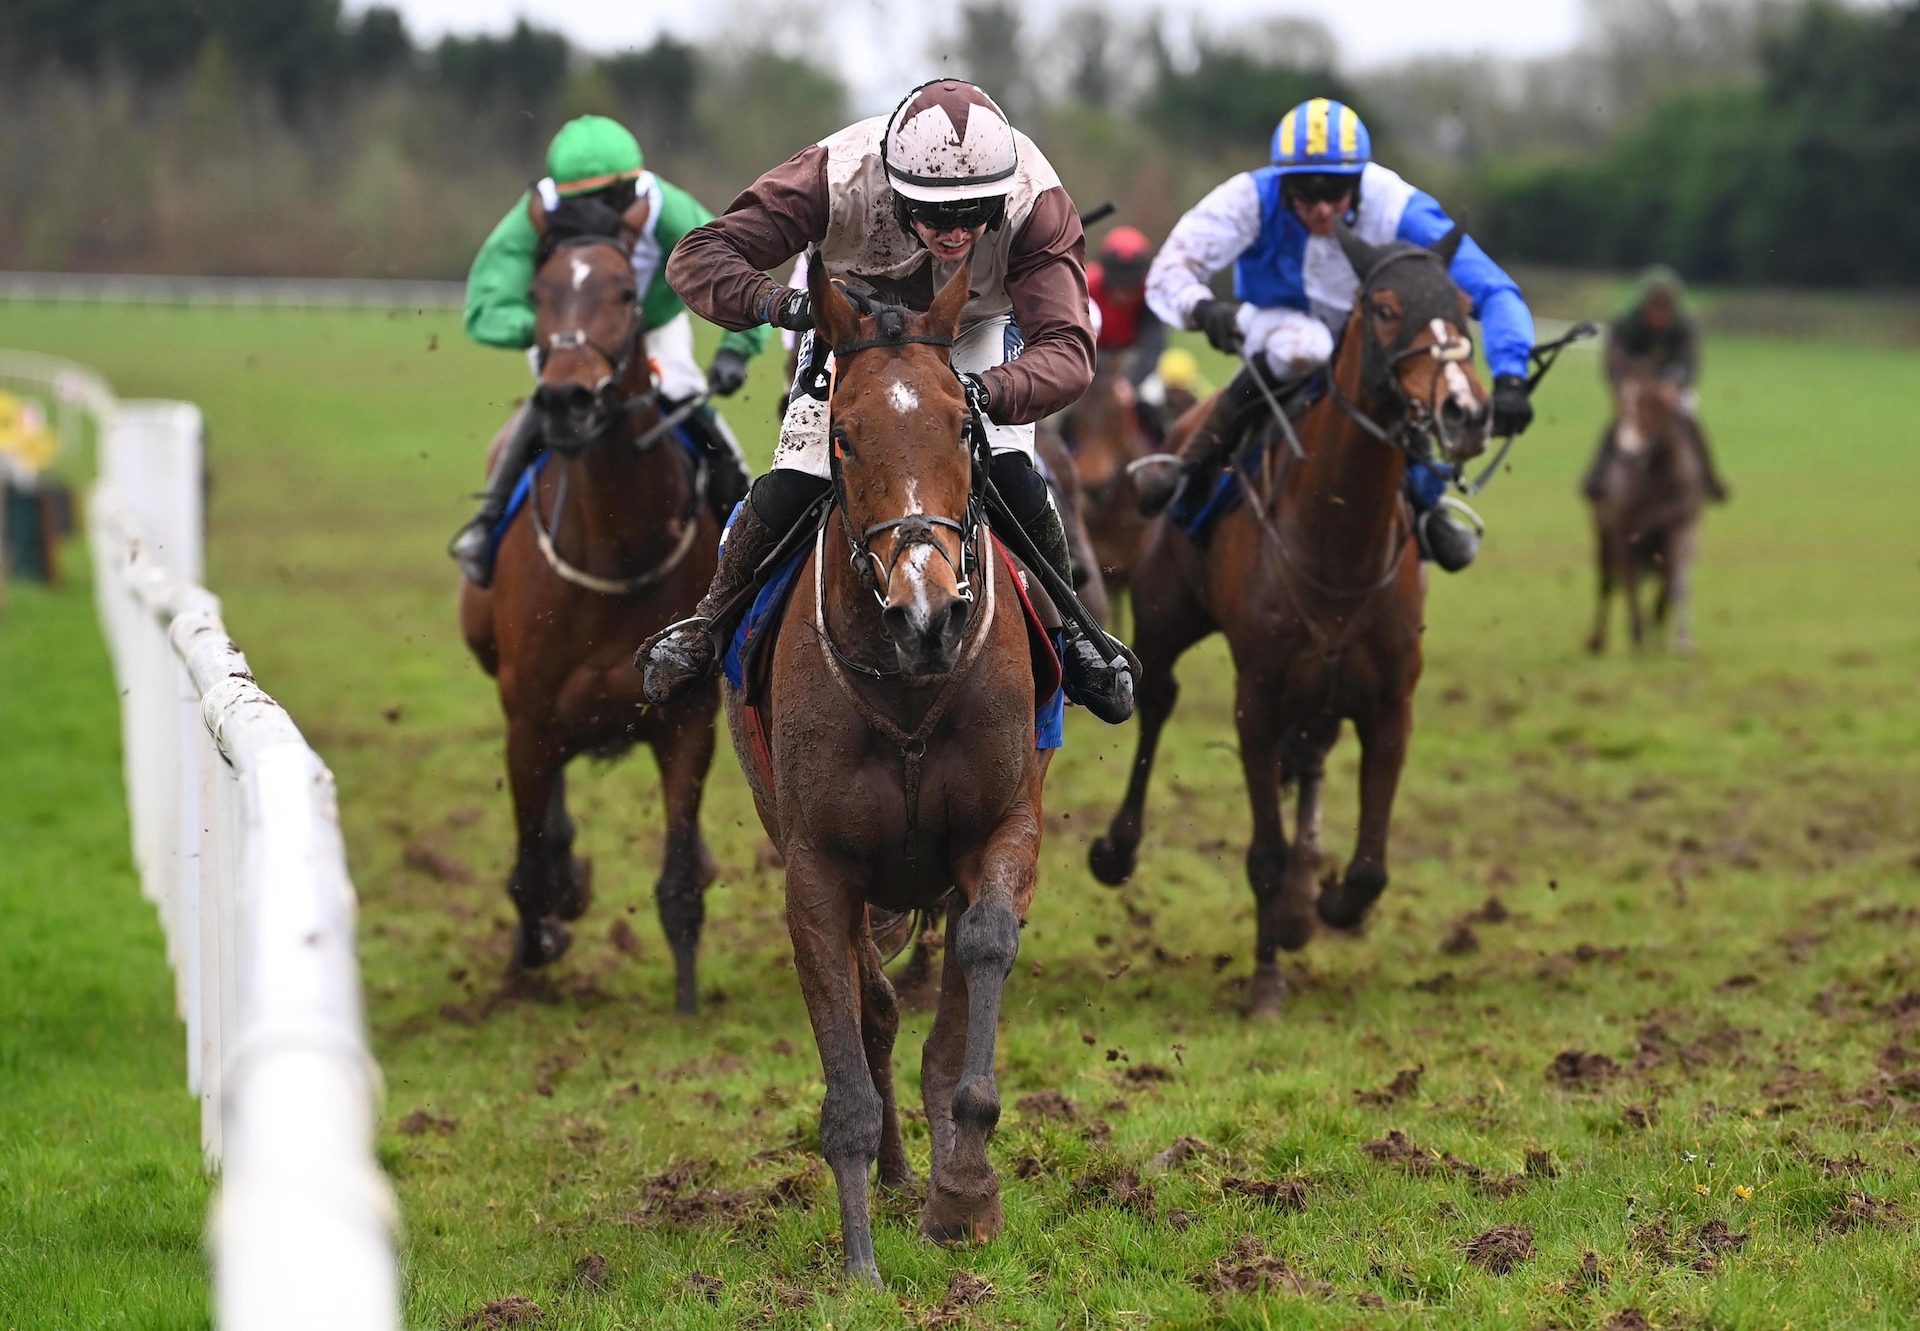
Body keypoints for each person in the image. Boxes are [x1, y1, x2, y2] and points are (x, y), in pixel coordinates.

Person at [644, 78, 1133, 722]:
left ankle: (1074, 638)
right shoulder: (833, 175)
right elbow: (701, 253)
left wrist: (983, 391)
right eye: (935, 215)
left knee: (1014, 477)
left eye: (973, 214)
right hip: (855, 335)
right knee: (795, 480)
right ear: (895, 188)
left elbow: (1068, 347)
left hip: (972, 331)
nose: (955, 233)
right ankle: (706, 627)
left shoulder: (1035, 202)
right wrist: (784, 305)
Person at [1135, 97, 1537, 572]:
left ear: (1360, 180)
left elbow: (1493, 289)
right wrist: (1204, 311)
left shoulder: (1398, 205)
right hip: (1274, 324)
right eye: (1305, 193)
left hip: (1364, 339)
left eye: (1337, 192)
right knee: (1305, 347)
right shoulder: (1248, 197)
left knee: (1399, 381)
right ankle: (1196, 462)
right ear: (1282, 183)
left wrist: (1511, 376)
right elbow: (1167, 271)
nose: (1321, 208)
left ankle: (1427, 507)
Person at [448, 115, 769, 587]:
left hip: (652, 332)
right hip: (569, 333)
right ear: (559, 193)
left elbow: (732, 269)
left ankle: (747, 535)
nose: (595, 212)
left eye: (607, 199)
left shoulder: (666, 206)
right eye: (580, 202)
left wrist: (736, 350)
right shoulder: (535, 210)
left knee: (687, 398)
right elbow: (485, 306)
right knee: (550, 401)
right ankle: (487, 524)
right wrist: (561, 334)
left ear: (634, 186)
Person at [1587, 265, 1729, 502]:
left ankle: (1708, 479)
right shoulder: (1625, 324)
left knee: (1690, 421)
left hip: (1670, 387)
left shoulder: (1684, 325)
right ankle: (1596, 477)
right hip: (1636, 385)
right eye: (1653, 308)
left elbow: (1689, 362)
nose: (1658, 315)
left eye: (1664, 308)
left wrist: (1674, 384)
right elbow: (1614, 360)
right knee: (1622, 425)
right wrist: (1623, 384)